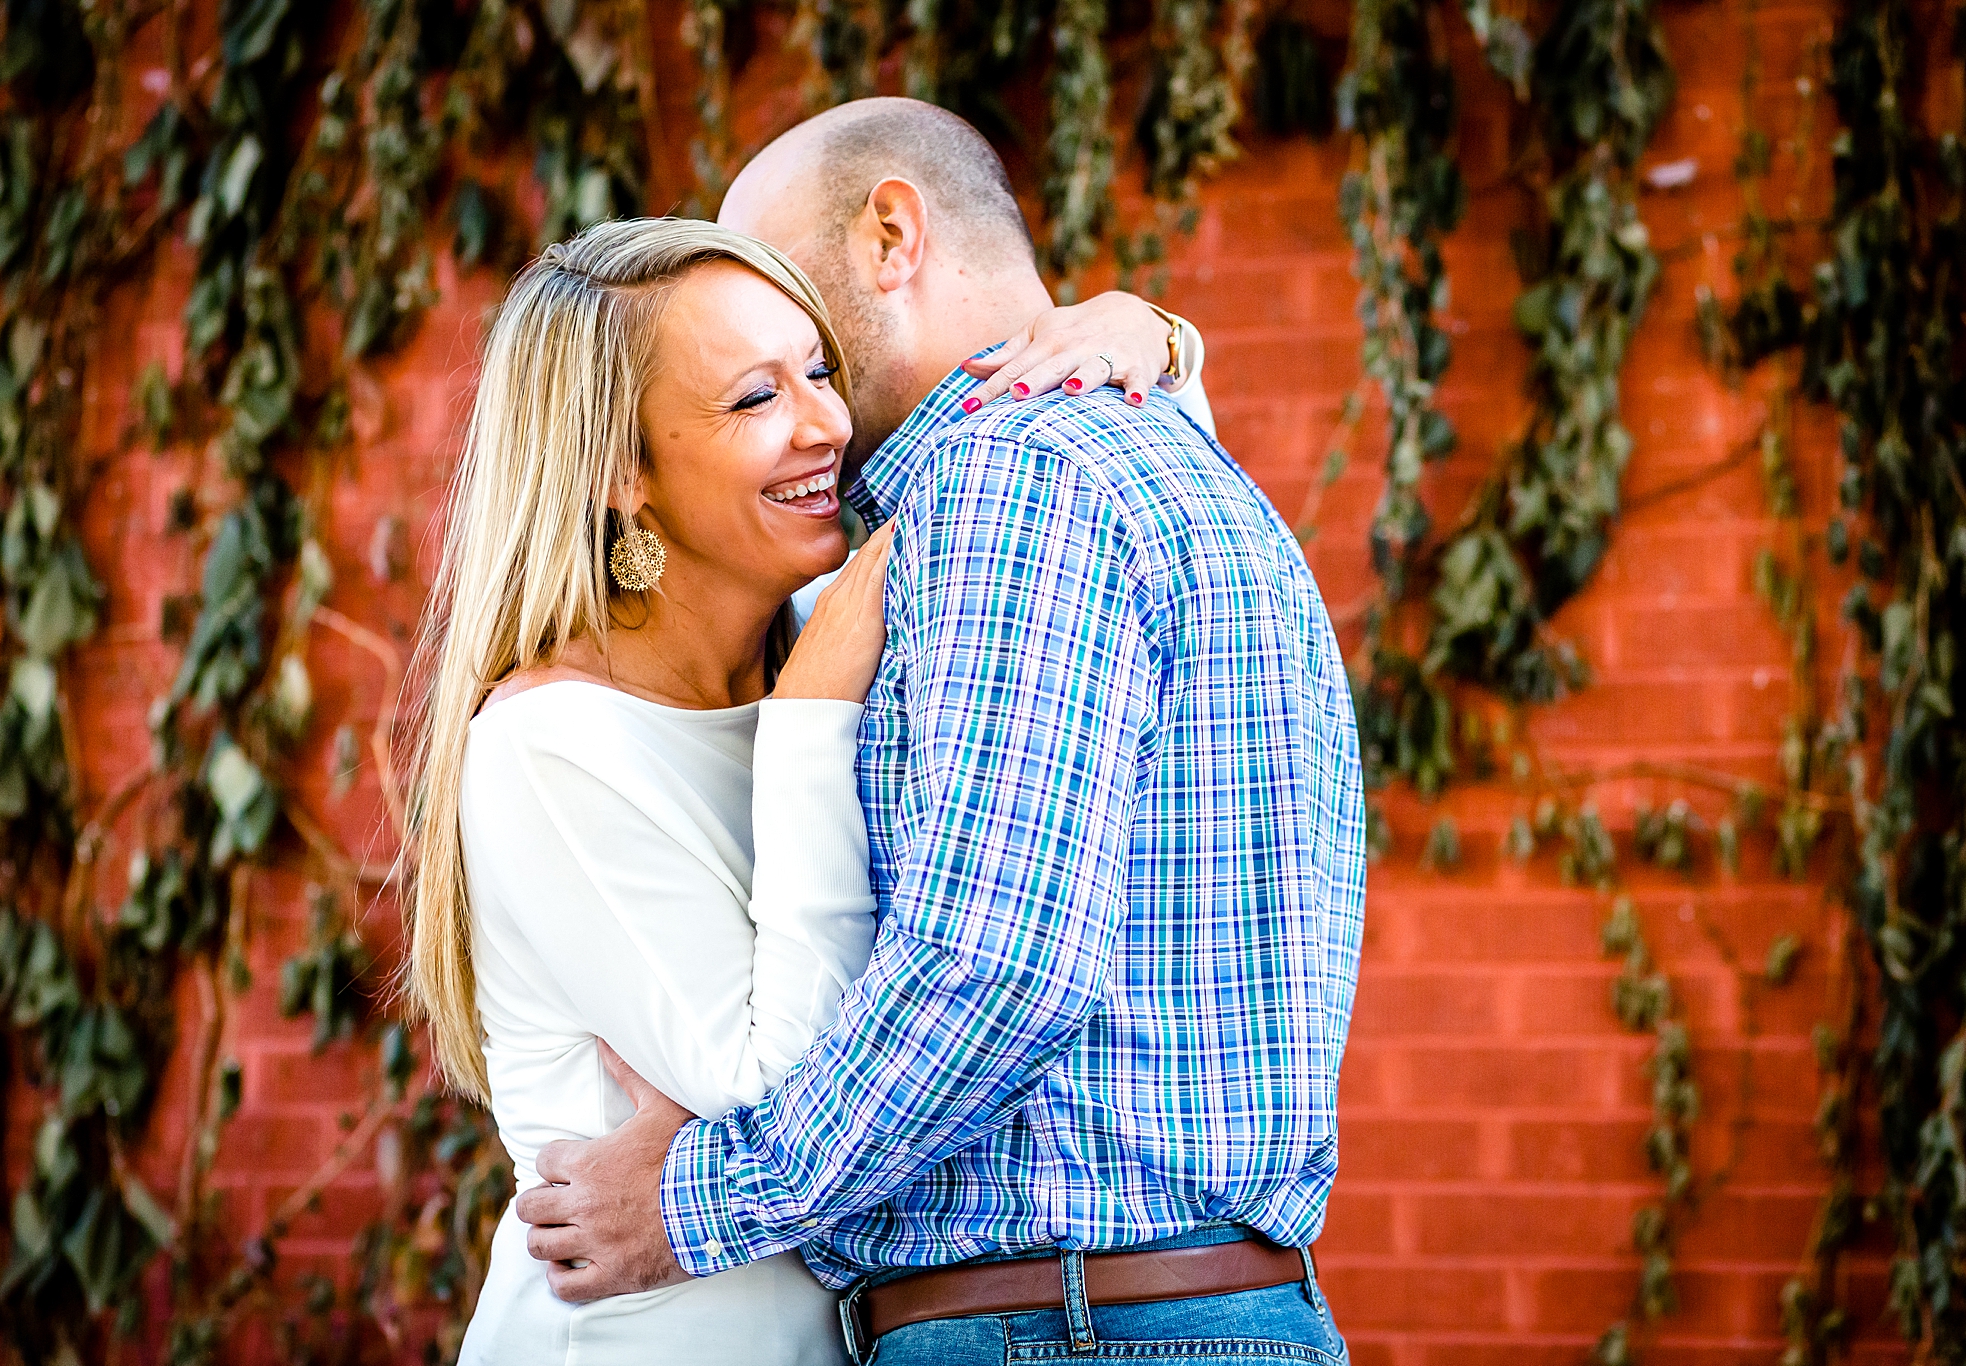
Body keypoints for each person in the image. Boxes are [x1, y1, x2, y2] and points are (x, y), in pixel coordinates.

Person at [513, 98, 1366, 1364]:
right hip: (1156, 1313)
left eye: (788, 304)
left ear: (892, 235)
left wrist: (695, 1204)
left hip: (1063, 1328)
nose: (793, 366)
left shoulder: (1010, 479)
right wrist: (1169, 346)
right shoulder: (1146, 458)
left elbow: (1000, 961)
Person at [403, 213, 1213, 1365]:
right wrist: (807, 720)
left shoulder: (821, 643)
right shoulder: (553, 744)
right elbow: (776, 1085)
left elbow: (1136, 513)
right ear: (616, 475)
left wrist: (1157, 338)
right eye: (752, 399)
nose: (826, 424)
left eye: (819, 370)